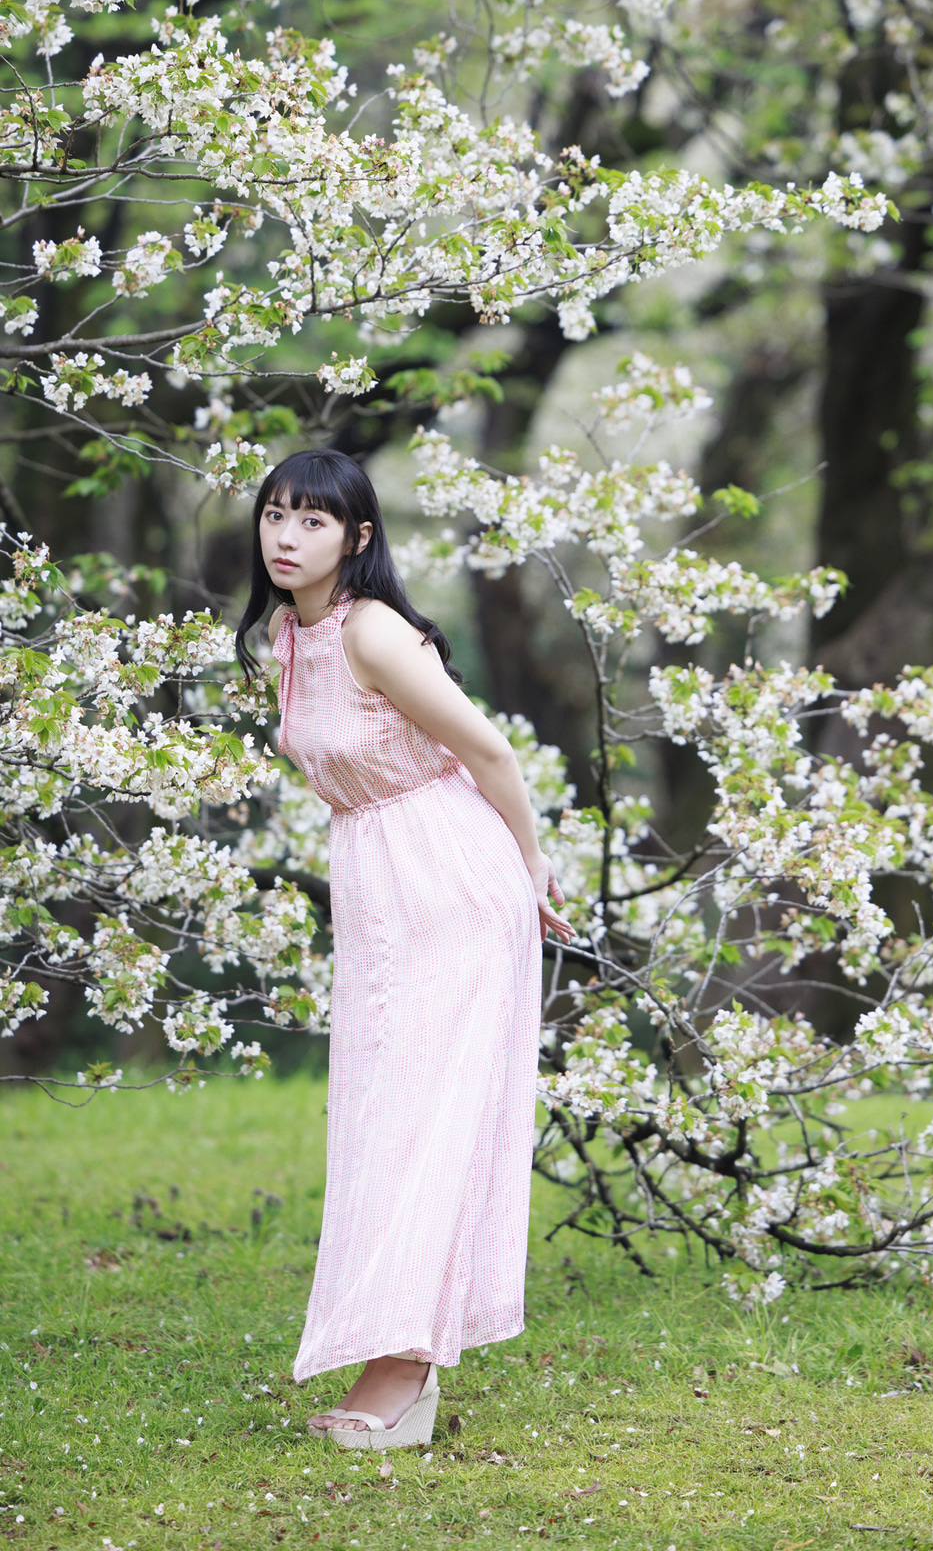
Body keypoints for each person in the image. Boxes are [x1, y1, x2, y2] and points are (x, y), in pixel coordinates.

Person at [235, 447, 574, 1450]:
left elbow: (489, 749)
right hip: (381, 883)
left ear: (359, 539)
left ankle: (404, 1374)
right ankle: (396, 1355)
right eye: (275, 516)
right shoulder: (286, 636)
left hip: (451, 879)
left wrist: (532, 867)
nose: (287, 537)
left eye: (314, 521)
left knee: (427, 1117)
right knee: (384, 1115)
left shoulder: (373, 632)